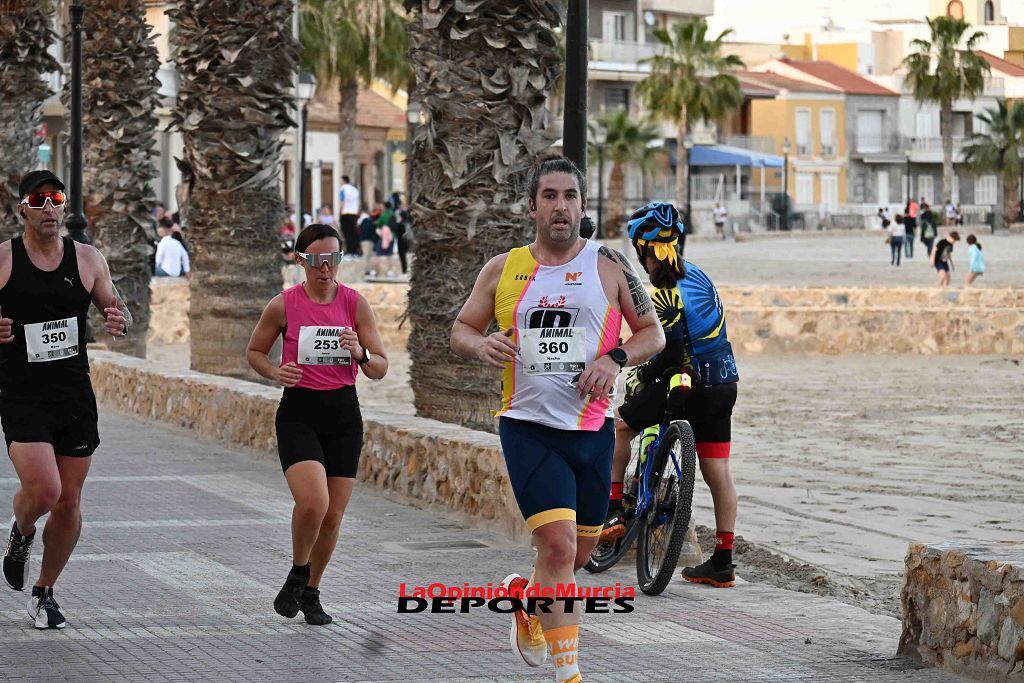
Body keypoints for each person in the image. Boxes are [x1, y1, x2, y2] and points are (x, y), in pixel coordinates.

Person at [450, 156, 664, 683]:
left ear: (583, 205)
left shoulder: (609, 264)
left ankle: (525, 598)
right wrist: (482, 344)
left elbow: (651, 333)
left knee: (579, 553)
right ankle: (570, 677)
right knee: (559, 545)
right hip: (527, 426)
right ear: (532, 207)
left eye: (570, 196)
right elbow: (460, 329)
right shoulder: (502, 269)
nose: (560, 206)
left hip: (590, 431)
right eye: (550, 196)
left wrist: (614, 359)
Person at [0, 170, 128, 629]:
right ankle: (21, 532)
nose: (51, 207)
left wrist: (120, 321)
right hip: (21, 394)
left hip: (74, 394)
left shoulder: (88, 258)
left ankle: (44, 592)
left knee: (69, 503)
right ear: (24, 210)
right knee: (46, 490)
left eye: (56, 197)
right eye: (40, 199)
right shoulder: (5, 259)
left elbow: (117, 307)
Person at [246, 223, 388, 626]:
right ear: (301, 260)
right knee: (314, 502)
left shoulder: (355, 304)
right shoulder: (283, 305)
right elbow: (255, 351)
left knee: (333, 516)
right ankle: (298, 568)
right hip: (299, 412)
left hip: (344, 415)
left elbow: (380, 367)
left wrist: (359, 352)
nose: (325, 268)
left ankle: (311, 591)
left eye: (333, 259)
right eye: (317, 260)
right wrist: (275, 372)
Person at [599, 201, 741, 588]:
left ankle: (614, 510)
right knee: (718, 472)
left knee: (620, 426)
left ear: (644, 248)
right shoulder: (699, 275)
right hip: (725, 382)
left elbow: (672, 349)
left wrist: (637, 366)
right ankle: (723, 560)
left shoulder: (662, 287)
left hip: (689, 382)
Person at [373, 201, 399, 279]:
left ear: (384, 206)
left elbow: (378, 224)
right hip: (391, 237)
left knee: (377, 254)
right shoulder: (393, 214)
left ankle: (375, 272)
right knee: (390, 255)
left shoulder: (383, 215)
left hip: (383, 237)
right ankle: (390, 271)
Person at [337, 176, 361, 258]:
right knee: (353, 232)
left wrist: (340, 211)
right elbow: (358, 202)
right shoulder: (355, 190)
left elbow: (342, 201)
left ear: (344, 181)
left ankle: (349, 250)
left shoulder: (343, 188)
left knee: (347, 233)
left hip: (346, 213)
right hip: (354, 213)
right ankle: (355, 250)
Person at [357, 206, 377, 277]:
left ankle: (368, 270)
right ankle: (365, 270)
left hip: (366, 240)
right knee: (366, 256)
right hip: (367, 240)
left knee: (368, 256)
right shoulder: (367, 221)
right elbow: (366, 231)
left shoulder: (365, 220)